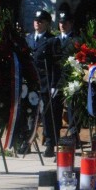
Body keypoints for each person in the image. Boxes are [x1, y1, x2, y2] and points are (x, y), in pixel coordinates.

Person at [23, 10, 62, 157]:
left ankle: (50, 143)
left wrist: (54, 85)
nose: (37, 24)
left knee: (47, 116)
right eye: (35, 21)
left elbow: (56, 65)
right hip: (32, 82)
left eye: (40, 21)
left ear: (47, 23)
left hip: (46, 83)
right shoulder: (29, 38)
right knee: (30, 113)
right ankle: (28, 142)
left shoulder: (52, 41)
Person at [57, 10, 82, 138]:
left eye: (65, 23)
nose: (62, 25)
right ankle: (53, 134)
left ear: (71, 23)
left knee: (73, 108)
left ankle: (74, 134)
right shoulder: (54, 39)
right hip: (56, 79)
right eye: (61, 22)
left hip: (71, 79)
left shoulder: (77, 40)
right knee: (55, 107)